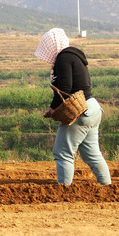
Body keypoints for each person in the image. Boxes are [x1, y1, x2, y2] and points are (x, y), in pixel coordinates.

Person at [35, 28, 111, 186]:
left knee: (62, 152)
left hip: (79, 111)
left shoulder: (63, 58)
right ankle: (107, 186)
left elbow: (65, 87)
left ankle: (63, 188)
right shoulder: (74, 56)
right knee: (92, 154)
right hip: (92, 107)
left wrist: (53, 108)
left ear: (52, 45)